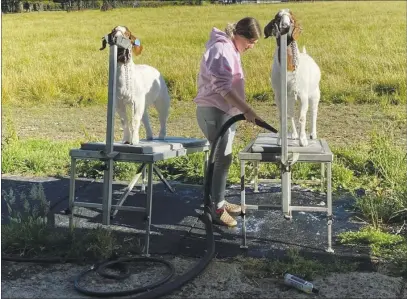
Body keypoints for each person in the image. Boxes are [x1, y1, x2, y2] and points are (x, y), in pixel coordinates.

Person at [194, 17, 264, 227]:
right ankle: (215, 210)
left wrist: (241, 110)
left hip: (224, 112)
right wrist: (248, 110)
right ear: (240, 36)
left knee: (223, 159)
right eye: (251, 42)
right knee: (220, 159)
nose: (251, 47)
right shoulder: (221, 50)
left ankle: (220, 201)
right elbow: (223, 88)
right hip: (214, 111)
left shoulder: (230, 49)